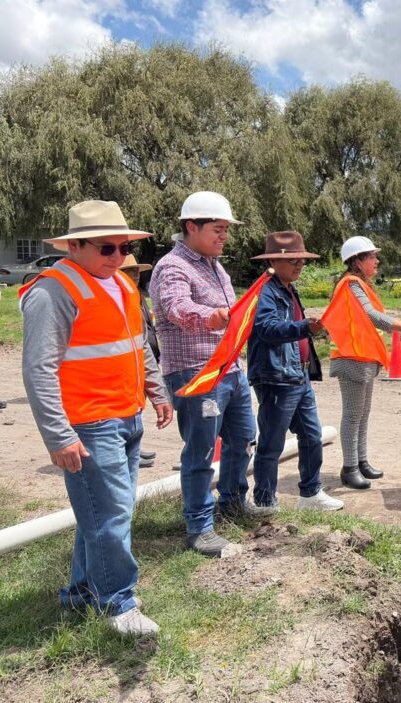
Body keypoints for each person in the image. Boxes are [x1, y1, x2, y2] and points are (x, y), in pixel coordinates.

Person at [20, 200, 172, 636]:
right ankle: (119, 603)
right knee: (111, 516)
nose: (119, 257)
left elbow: (138, 345)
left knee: (103, 512)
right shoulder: (53, 293)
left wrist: (156, 391)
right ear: (75, 246)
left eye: (125, 248)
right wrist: (58, 435)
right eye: (107, 248)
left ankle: (80, 593)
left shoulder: (120, 284)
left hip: (126, 416)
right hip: (88, 425)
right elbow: (38, 370)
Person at [150, 190, 262, 559]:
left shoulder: (216, 266)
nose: (224, 236)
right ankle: (199, 526)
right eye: (218, 229)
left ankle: (232, 501)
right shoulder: (173, 267)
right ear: (191, 227)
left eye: (226, 229)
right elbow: (178, 307)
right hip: (196, 373)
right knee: (201, 451)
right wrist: (212, 316)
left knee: (243, 437)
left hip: (229, 369)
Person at [247, 231, 344, 512]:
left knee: (312, 436)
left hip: (296, 375)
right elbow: (266, 328)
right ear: (274, 261)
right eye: (294, 260)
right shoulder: (266, 292)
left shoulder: (287, 288)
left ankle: (310, 495)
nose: (300, 265)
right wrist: (304, 327)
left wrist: (306, 329)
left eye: (302, 260)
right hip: (276, 377)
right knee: (272, 443)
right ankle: (265, 501)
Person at [329, 236, 401, 490]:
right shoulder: (351, 284)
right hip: (351, 358)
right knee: (352, 415)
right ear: (357, 261)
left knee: (363, 413)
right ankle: (349, 468)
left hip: (363, 357)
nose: (377, 260)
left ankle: (361, 461)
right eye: (371, 256)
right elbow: (370, 315)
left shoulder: (359, 284)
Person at [120, 254, 159, 468]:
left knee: (137, 407)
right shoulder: (120, 297)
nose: (135, 275)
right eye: (129, 271)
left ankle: (134, 448)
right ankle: (129, 451)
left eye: (136, 271)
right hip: (128, 365)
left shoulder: (137, 295)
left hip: (142, 361)